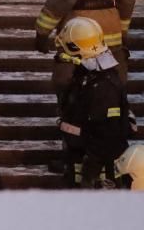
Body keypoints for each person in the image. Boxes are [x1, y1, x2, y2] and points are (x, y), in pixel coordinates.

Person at [53, 17, 136, 188]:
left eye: (66, 48)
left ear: (77, 49)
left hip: (99, 174)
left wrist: (90, 171)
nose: (62, 53)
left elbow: (107, 134)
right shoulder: (88, 75)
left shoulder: (103, 86)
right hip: (80, 160)